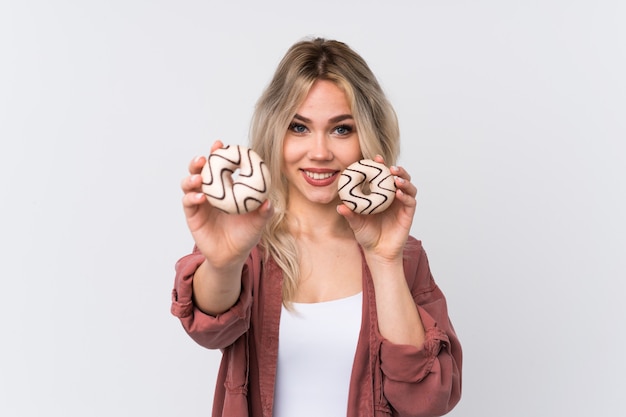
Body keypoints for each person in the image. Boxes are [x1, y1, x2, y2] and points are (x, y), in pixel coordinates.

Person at [171, 37, 462, 417]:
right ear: (276, 132)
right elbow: (211, 330)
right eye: (299, 127)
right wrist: (225, 261)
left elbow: (427, 399)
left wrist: (384, 260)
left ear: (366, 137)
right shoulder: (247, 241)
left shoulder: (403, 255)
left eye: (341, 129)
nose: (321, 152)